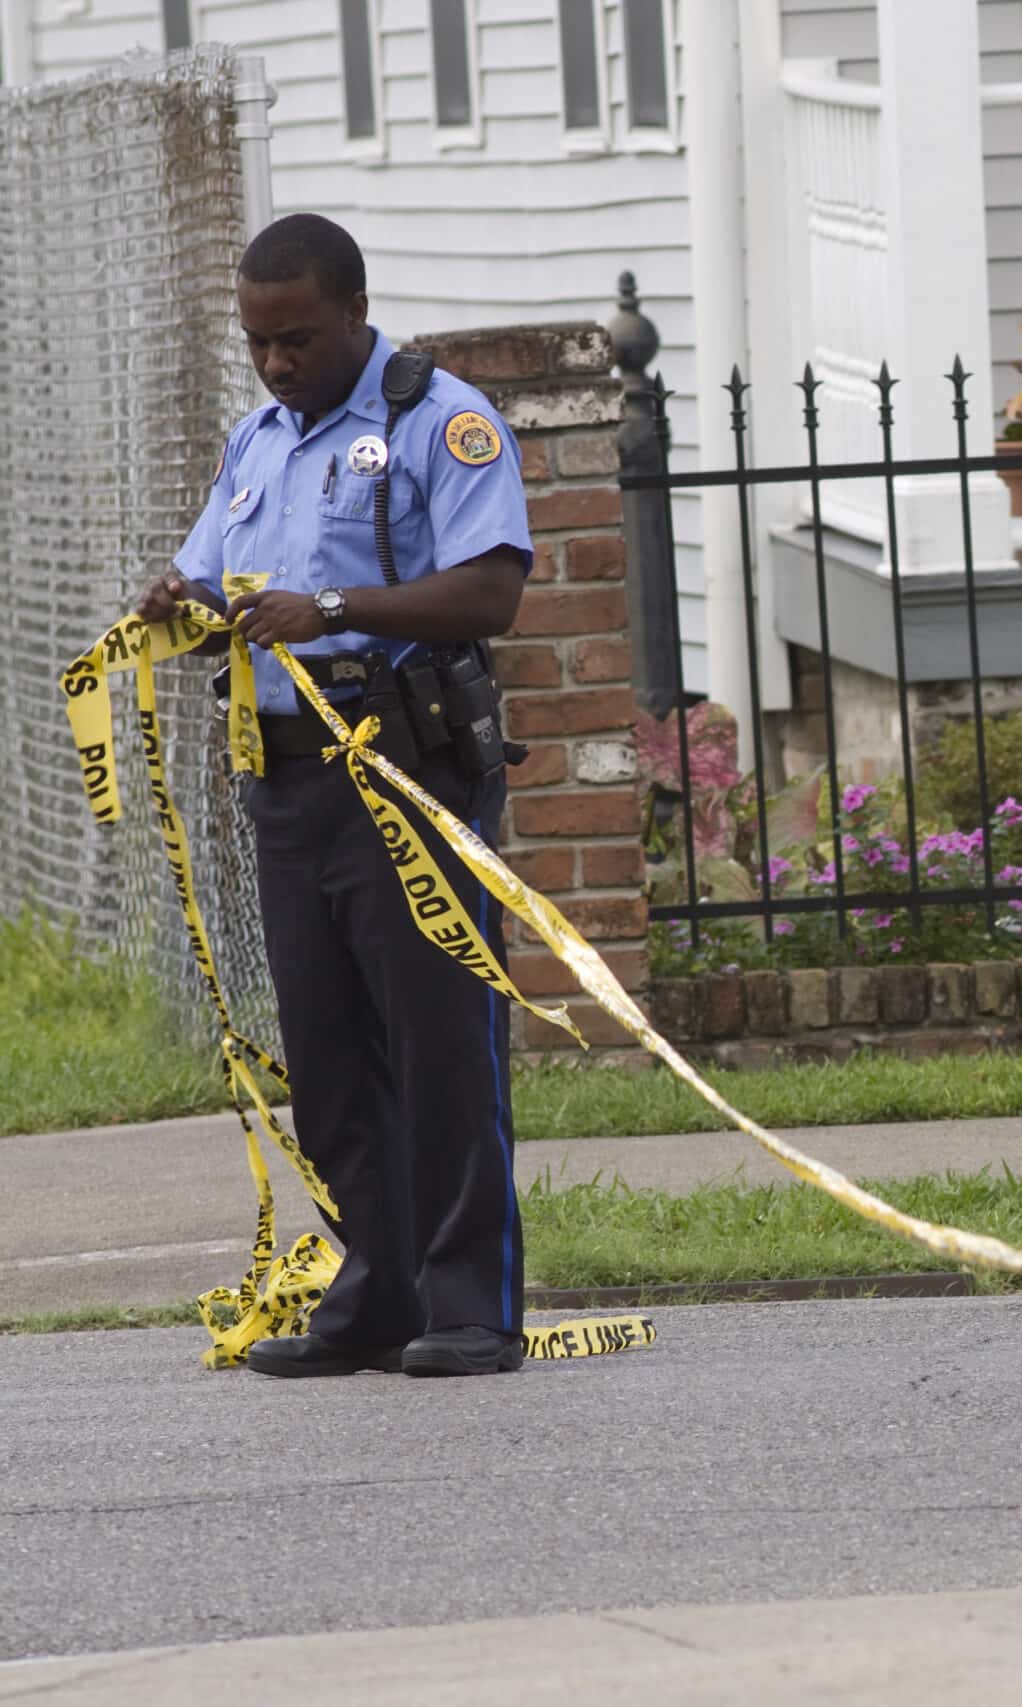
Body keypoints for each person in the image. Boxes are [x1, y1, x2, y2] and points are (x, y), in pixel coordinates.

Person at [136, 213, 534, 1379]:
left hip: (402, 766)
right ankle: (376, 1297)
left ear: (355, 312)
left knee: (439, 1038)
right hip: (284, 779)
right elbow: (213, 585)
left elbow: (492, 591)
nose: (275, 363)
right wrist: (175, 605)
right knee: (328, 1052)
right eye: (257, 342)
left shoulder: (437, 422)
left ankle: (470, 1305)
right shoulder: (257, 442)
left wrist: (337, 609)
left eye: (297, 339)